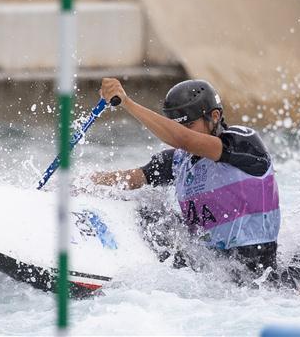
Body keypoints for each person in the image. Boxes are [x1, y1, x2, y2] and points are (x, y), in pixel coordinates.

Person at [88, 77, 281, 279]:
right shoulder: (179, 161)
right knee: (149, 211)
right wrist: (76, 184)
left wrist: (126, 102)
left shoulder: (243, 142)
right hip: (209, 270)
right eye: (176, 126)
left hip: (257, 276)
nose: (179, 132)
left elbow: (183, 139)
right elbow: (131, 178)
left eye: (188, 124)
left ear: (214, 116)